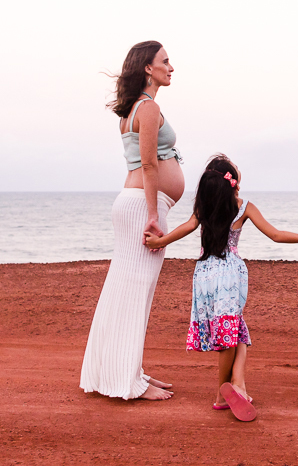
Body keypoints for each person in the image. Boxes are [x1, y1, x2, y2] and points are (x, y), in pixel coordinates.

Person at [145, 154, 298, 422]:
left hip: (204, 275)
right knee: (230, 335)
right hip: (230, 275)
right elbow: (275, 235)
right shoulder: (243, 206)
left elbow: (187, 227)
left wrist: (161, 242)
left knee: (235, 332)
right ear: (233, 181)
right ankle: (221, 395)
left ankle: (239, 385)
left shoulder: (205, 207)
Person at [80, 40, 184, 401]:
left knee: (128, 289)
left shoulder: (133, 109)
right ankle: (127, 381)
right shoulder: (149, 108)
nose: (171, 67)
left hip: (135, 202)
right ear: (148, 68)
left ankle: (130, 371)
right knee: (136, 291)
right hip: (143, 205)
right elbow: (149, 164)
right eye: (165, 62)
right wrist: (155, 214)